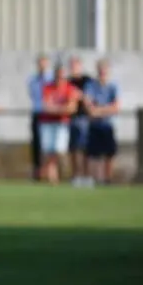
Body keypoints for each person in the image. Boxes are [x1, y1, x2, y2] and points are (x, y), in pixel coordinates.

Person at [39, 64, 80, 184]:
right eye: (57, 76)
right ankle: (52, 178)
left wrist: (56, 108)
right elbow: (46, 107)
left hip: (62, 123)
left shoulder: (69, 89)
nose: (59, 79)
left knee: (59, 150)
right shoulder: (48, 87)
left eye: (62, 77)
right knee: (48, 151)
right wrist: (62, 108)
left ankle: (60, 175)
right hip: (47, 123)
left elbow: (72, 108)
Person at [84, 59, 120, 185]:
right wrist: (105, 109)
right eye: (100, 70)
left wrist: (99, 110)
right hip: (94, 125)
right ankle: (94, 180)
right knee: (94, 155)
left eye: (105, 70)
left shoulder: (113, 86)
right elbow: (88, 107)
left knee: (109, 154)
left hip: (108, 125)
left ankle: (107, 180)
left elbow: (116, 107)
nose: (102, 73)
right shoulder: (91, 85)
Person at [67, 56, 93, 187]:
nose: (73, 68)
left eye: (75, 65)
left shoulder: (87, 80)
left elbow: (88, 98)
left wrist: (79, 95)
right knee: (73, 148)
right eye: (71, 66)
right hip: (70, 118)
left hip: (84, 118)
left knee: (85, 148)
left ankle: (86, 176)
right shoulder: (67, 81)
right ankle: (76, 175)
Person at [27, 54, 52, 181]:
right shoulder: (32, 79)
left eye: (44, 63)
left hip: (50, 115)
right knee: (36, 144)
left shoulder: (52, 78)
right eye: (40, 63)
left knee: (48, 145)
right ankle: (37, 173)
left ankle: (49, 172)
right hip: (37, 113)